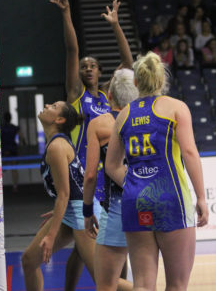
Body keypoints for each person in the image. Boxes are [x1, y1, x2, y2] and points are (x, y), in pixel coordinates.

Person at [50, 0, 133, 290]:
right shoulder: (76, 95)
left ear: (99, 72)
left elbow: (127, 63)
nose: (86, 67)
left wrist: (115, 24)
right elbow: (72, 51)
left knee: (91, 243)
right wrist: (66, 13)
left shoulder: (108, 97)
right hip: (82, 177)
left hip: (106, 176)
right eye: (84, 65)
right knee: (93, 244)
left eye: (92, 65)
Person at [105, 51, 209, 291]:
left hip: (136, 200)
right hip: (170, 197)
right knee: (177, 285)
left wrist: (135, 184)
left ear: (135, 82)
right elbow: (190, 153)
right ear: (162, 80)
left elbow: (111, 166)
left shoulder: (124, 115)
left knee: (142, 284)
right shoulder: (176, 108)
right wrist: (201, 197)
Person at [22, 101, 96, 290]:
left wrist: (51, 235)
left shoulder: (57, 147)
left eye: (53, 106)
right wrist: (57, 212)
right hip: (70, 211)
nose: (47, 105)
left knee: (104, 280)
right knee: (29, 261)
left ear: (59, 119)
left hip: (80, 215)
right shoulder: (56, 142)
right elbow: (71, 187)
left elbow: (64, 193)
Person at [83, 69, 139, 291]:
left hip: (117, 210)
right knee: (144, 279)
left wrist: (88, 211)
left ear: (109, 97)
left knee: (105, 284)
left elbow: (90, 175)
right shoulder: (147, 120)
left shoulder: (99, 124)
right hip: (149, 203)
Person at [1, 111, 26, 193]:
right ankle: (15, 186)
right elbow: (22, 136)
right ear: (10, 118)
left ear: (4, 118)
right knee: (14, 168)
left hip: (4, 149)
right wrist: (24, 143)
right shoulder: (14, 127)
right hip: (12, 149)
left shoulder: (1, 127)